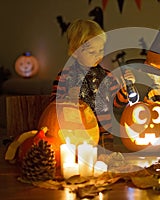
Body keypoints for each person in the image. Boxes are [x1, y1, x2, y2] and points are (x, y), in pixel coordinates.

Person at [51, 19, 128, 149]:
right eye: (92, 52)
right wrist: (67, 98)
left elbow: (118, 104)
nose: (98, 55)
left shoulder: (107, 76)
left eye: (101, 50)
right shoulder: (64, 76)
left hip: (104, 139)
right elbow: (53, 105)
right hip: (77, 137)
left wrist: (124, 90)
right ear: (75, 52)